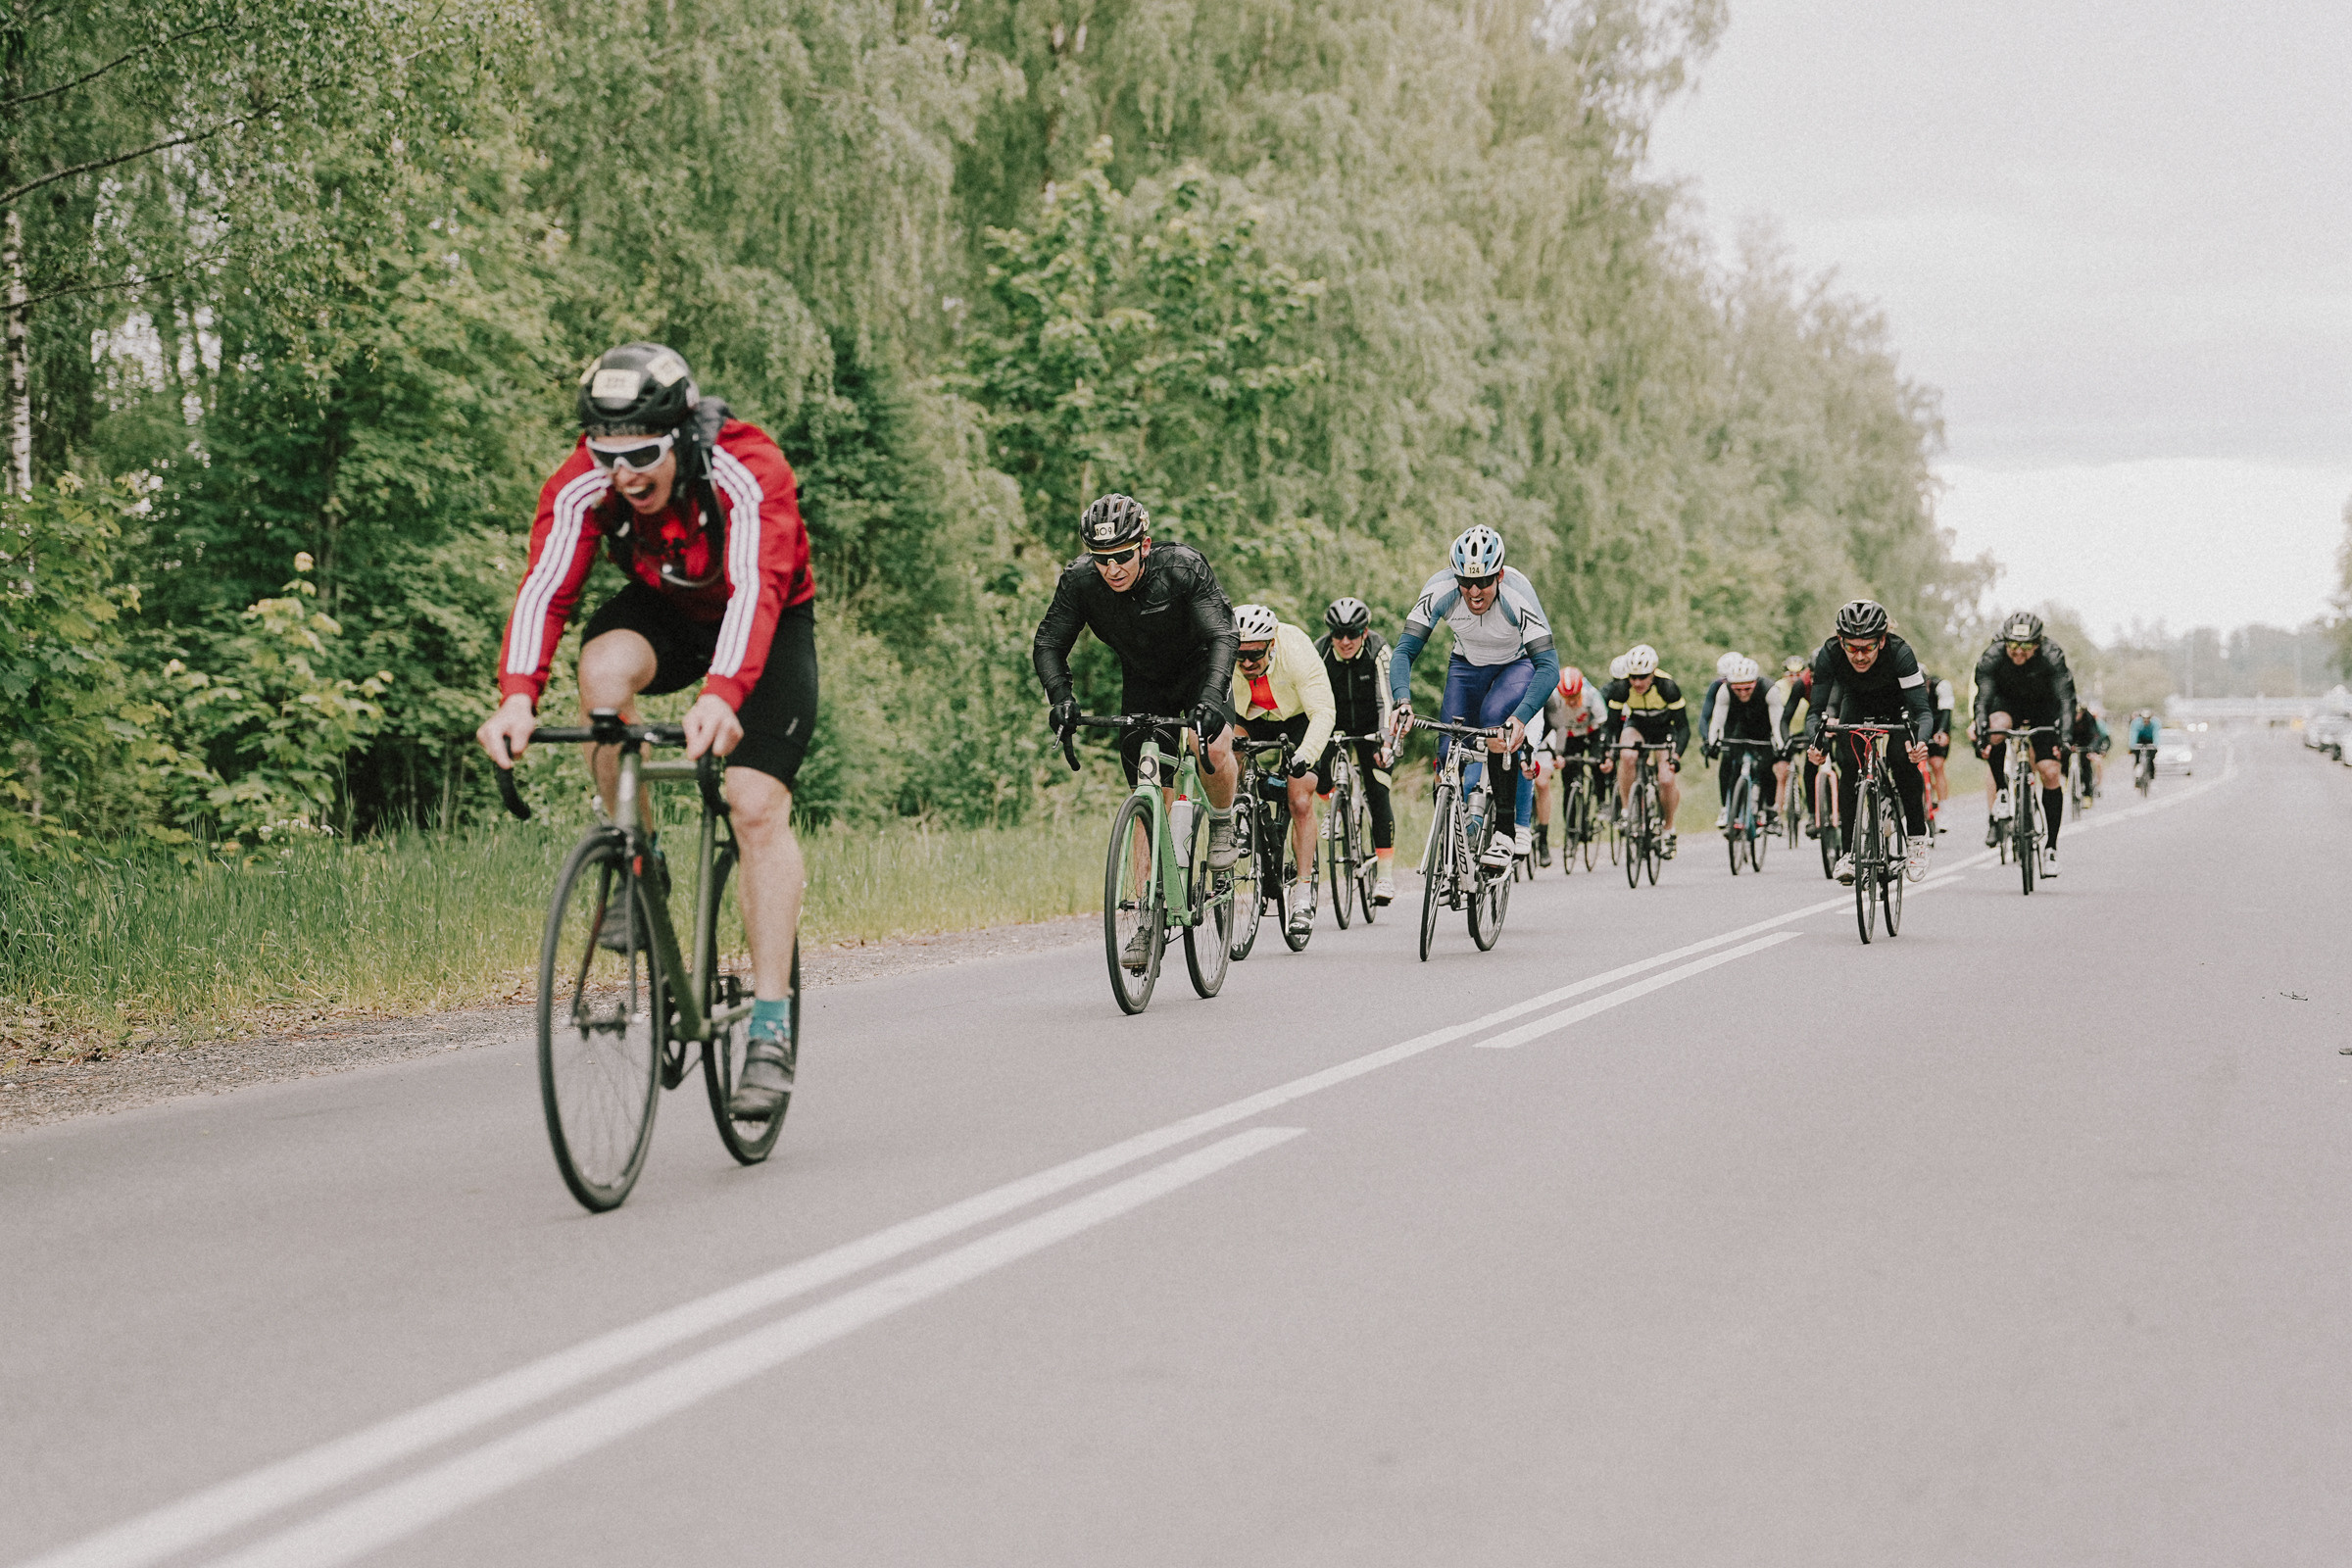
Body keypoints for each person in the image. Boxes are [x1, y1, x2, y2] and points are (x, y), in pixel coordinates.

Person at [479, 342, 817, 1122]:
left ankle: (768, 1030)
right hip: (667, 613)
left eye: (641, 455)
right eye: (607, 454)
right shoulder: (584, 481)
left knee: (754, 804)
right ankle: (639, 859)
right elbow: (545, 585)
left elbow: (756, 592)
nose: (624, 475)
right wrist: (517, 697)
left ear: (681, 437)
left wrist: (724, 693)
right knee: (599, 677)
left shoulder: (748, 466)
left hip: (764, 618)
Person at [1034, 495, 1243, 967]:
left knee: (1208, 743)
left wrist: (1211, 697)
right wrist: (1061, 698)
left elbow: (1223, 635)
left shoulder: (1182, 567)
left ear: (1144, 546)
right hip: (1144, 684)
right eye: (1102, 558)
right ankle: (1148, 919)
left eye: (1123, 556)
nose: (1112, 569)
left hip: (1200, 672)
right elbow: (1049, 642)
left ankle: (1225, 822)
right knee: (1149, 797)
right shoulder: (1080, 581)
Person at [1389, 525, 1560, 872]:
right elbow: (1404, 651)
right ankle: (1450, 830)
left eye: (1482, 581)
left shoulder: (1518, 595)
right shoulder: (1440, 590)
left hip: (1516, 665)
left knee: (1496, 724)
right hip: (1467, 666)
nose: (1474, 591)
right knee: (1446, 746)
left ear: (1498, 574)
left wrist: (1521, 718)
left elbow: (1549, 667)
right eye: (1465, 581)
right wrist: (1401, 701)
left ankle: (1505, 834)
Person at [1802, 600, 1935, 884]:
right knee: (1849, 765)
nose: (1859, 656)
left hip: (1899, 706)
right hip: (1858, 704)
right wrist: (1817, 744)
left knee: (1902, 760)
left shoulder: (1901, 653)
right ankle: (1849, 851)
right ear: (1841, 641)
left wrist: (1920, 742)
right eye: (1851, 647)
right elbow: (1816, 712)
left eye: (1868, 647)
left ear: (1882, 641)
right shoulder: (1829, 654)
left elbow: (1922, 712)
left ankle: (1916, 839)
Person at [1231, 603, 1337, 935]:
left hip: (1296, 719)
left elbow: (1322, 711)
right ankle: (1239, 814)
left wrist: (1305, 755)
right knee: (1226, 754)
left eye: (1255, 655)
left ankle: (1302, 895)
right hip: (1247, 716)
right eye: (1240, 656)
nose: (1247, 663)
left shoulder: (1296, 649)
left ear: (1271, 644)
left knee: (1300, 798)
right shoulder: (1224, 650)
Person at [1972, 610, 2077, 875]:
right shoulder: (1993, 657)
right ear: (2004, 641)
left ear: (2038, 644)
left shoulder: (2053, 657)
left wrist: (2065, 738)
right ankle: (2004, 791)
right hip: (2007, 706)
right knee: (1995, 730)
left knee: (2050, 772)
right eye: (2013, 645)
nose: (2018, 651)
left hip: (2044, 710)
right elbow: (1982, 700)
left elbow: (2066, 702)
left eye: (2026, 646)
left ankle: (2051, 848)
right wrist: (1982, 733)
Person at [1315, 597, 1398, 905]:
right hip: (1333, 722)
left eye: (1353, 633)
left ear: (1365, 631)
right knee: (1314, 774)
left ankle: (1386, 876)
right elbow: (1311, 694)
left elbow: (1386, 701)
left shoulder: (1379, 651)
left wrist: (1387, 742)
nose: (1345, 641)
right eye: (1339, 634)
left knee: (1378, 792)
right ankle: (1336, 807)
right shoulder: (1320, 650)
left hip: (1373, 727)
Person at [1602, 644, 1690, 857]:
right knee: (1627, 754)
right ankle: (1626, 811)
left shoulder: (1667, 687)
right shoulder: (1622, 688)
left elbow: (1683, 727)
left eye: (1643, 677)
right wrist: (1607, 753)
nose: (1637, 682)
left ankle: (1669, 828)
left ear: (1653, 674)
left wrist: (1676, 755)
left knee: (1666, 779)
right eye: (1633, 677)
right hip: (1637, 725)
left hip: (1663, 729)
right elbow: (1611, 725)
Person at [1531, 664, 1607, 864]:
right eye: (1568, 698)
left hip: (1590, 732)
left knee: (1597, 763)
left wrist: (1601, 754)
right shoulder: (1554, 696)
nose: (1572, 702)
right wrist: (1559, 754)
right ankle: (1572, 832)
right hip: (1569, 737)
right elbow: (1558, 728)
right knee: (1569, 784)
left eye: (1575, 697)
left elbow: (1603, 726)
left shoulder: (1592, 697)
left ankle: (1601, 802)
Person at [1703, 656, 1783, 830]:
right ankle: (1727, 809)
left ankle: (1770, 809)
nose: (1743, 693)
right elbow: (1717, 720)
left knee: (1765, 768)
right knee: (1728, 764)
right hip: (1739, 730)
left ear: (1755, 682)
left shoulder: (1769, 689)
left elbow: (1777, 723)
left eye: (1747, 688)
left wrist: (1779, 743)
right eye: (1737, 689)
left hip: (1764, 729)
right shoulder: (1724, 690)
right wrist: (1712, 741)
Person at [1770, 654, 1814, 831]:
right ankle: (1777, 816)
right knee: (1782, 772)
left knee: (1806, 768)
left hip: (1804, 731)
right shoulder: (1778, 688)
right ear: (1784, 675)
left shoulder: (1804, 686)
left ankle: (1804, 800)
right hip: (1786, 731)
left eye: (1797, 674)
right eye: (1790, 674)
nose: (1793, 678)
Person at [1924, 665, 1957, 828]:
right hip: (1919, 726)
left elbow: (1946, 713)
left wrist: (1942, 732)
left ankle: (1944, 810)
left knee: (1937, 765)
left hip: (1938, 726)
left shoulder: (1941, 686)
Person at [2067, 701, 2111, 805]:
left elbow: (2095, 735)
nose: (2077, 716)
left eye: (2079, 713)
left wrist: (2093, 748)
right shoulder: (2068, 717)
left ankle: (2087, 795)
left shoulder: (2089, 718)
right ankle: (2067, 780)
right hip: (2073, 739)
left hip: (2086, 741)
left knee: (2086, 766)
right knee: (2063, 757)